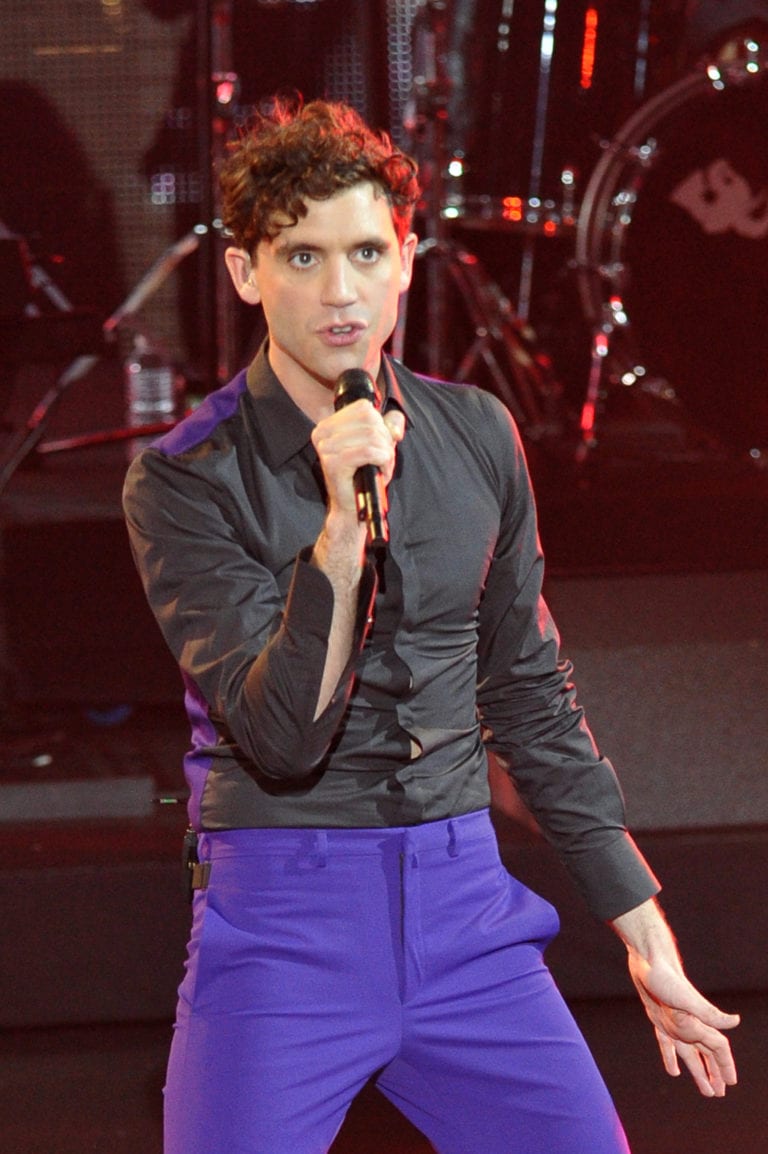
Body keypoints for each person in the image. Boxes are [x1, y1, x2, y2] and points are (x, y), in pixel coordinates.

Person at [122, 97, 739, 1154]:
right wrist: (338, 535)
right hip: (285, 925)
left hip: (467, 917)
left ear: (407, 261)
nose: (342, 290)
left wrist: (642, 927)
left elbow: (530, 695)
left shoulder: (477, 433)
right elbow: (282, 736)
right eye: (303, 256)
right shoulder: (186, 478)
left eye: (367, 251)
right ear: (245, 273)